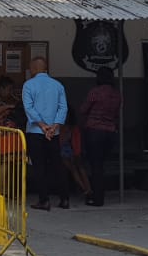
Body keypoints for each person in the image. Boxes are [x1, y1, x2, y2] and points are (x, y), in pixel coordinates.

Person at [21, 56, 69, 210]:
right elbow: (63, 107)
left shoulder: (28, 85)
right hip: (54, 133)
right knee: (57, 164)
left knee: (39, 166)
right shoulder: (58, 85)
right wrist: (54, 126)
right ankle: (64, 199)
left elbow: (29, 108)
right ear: (46, 68)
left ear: (33, 69)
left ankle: (44, 200)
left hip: (36, 132)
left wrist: (42, 126)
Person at [78, 66, 122, 206]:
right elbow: (116, 114)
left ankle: (97, 198)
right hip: (110, 132)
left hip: (94, 132)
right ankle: (99, 194)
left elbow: (83, 109)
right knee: (101, 165)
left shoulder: (95, 92)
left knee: (95, 166)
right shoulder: (117, 94)